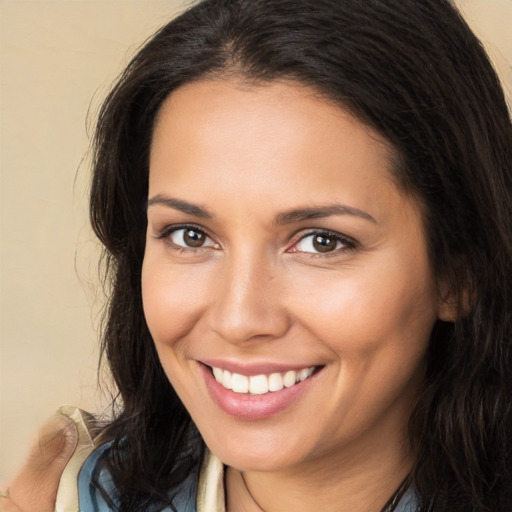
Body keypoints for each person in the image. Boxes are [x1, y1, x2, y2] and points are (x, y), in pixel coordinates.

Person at [2, 0, 512, 510]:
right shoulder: (63, 496)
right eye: (190, 235)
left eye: (321, 241)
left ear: (457, 274)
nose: (239, 319)